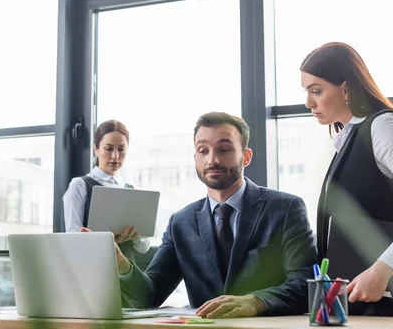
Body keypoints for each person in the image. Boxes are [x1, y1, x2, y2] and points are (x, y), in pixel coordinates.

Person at [113, 112, 317, 318]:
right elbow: (149, 296)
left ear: (246, 157)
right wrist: (121, 263)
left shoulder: (285, 208)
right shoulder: (181, 222)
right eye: (203, 150)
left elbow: (305, 285)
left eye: (224, 149)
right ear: (195, 158)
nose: (213, 160)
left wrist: (255, 301)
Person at [300, 42, 393, 316]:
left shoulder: (385, 127)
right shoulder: (347, 138)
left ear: (345, 88)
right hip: (362, 303)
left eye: (316, 91)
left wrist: (382, 269)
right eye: (306, 92)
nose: (308, 103)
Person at [63, 120, 150, 260]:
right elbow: (72, 238)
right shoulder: (80, 185)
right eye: (109, 149)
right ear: (96, 149)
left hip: (129, 271)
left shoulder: (131, 190)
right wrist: (105, 240)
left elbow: (143, 247)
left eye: (121, 149)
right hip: (94, 266)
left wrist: (135, 236)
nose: (115, 156)